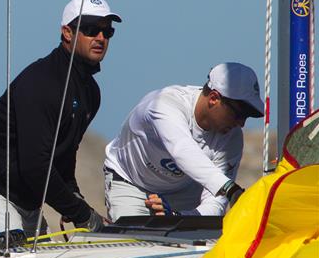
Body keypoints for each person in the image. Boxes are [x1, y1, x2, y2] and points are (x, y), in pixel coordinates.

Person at [0, 0, 121, 253]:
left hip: (24, 197)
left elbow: (63, 154)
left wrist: (73, 197)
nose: (101, 38)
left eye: (107, 31)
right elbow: (35, 167)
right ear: (67, 33)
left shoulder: (90, 92)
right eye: (91, 29)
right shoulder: (43, 83)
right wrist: (83, 214)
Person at [104, 62, 264, 219]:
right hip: (131, 183)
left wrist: (177, 217)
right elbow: (182, 150)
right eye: (239, 113)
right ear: (214, 98)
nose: (241, 123)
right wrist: (230, 188)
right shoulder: (164, 104)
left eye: (247, 116)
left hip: (184, 190)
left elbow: (215, 204)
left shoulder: (232, 137)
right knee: (134, 242)